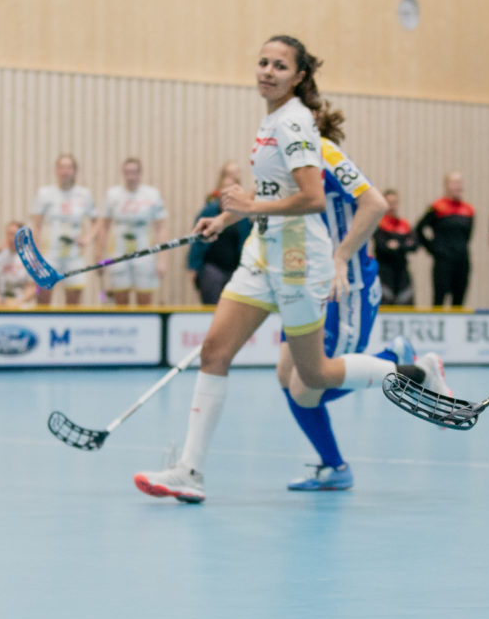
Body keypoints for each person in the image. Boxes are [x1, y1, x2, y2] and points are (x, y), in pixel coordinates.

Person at [132, 35, 449, 503]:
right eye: (262, 62)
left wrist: (252, 204)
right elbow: (269, 190)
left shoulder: (295, 122)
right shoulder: (271, 121)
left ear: (299, 76)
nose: (267, 71)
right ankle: (190, 472)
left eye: (280, 66)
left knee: (313, 376)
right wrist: (226, 217)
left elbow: (311, 199)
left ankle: (415, 372)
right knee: (214, 353)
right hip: (263, 254)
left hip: (299, 260)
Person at [277, 102, 428, 491]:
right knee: (286, 374)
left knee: (305, 387)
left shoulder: (325, 152)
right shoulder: (287, 160)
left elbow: (374, 203)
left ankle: (399, 359)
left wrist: (340, 258)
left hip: (345, 285)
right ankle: (335, 468)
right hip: (304, 283)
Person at [94, 157, 168, 306]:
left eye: (134, 172)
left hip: (144, 251)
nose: (131, 176)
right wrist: (99, 255)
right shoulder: (113, 195)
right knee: (120, 297)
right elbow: (104, 226)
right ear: (123, 174)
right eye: (127, 172)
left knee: (145, 299)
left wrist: (161, 260)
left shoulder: (152, 194)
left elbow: (161, 228)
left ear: (140, 174)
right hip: (118, 252)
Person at [30, 153, 95, 306]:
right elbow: (36, 225)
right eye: (62, 167)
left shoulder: (84, 194)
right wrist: (36, 255)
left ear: (75, 170)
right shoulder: (45, 193)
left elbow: (96, 222)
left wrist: (88, 238)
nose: (65, 171)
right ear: (56, 170)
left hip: (73, 255)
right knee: (43, 297)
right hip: (50, 253)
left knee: (73, 299)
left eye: (69, 167)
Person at [187, 162, 252, 305]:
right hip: (212, 267)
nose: (227, 196)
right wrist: (193, 268)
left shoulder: (245, 215)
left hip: (237, 267)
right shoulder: (208, 211)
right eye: (224, 193)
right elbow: (197, 241)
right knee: (212, 291)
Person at [417, 172, 474, 307]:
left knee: (459, 299)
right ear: (447, 186)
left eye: (459, 183)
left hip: (462, 259)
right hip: (443, 260)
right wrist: (433, 248)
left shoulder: (468, 210)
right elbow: (419, 229)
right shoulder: (437, 207)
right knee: (439, 298)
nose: (457, 186)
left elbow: (468, 235)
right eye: (454, 183)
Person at [374, 189, 418, 306]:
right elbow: (382, 246)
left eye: (394, 202)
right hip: (384, 271)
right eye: (389, 202)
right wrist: (403, 244)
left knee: (405, 301)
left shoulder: (404, 224)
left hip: (402, 271)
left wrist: (396, 245)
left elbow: (414, 245)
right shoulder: (378, 224)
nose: (392, 206)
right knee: (385, 301)